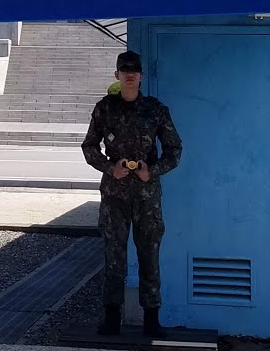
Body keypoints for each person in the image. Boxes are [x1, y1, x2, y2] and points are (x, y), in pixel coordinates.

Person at [81, 51, 183, 338]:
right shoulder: (104, 109)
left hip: (146, 197)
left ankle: (152, 319)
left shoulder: (156, 110)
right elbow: (89, 146)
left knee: (149, 254)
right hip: (114, 195)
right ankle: (112, 318)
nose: (129, 74)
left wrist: (153, 170)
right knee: (114, 255)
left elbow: (175, 150)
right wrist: (110, 167)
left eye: (134, 70)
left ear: (141, 76)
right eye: (124, 69)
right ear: (117, 75)